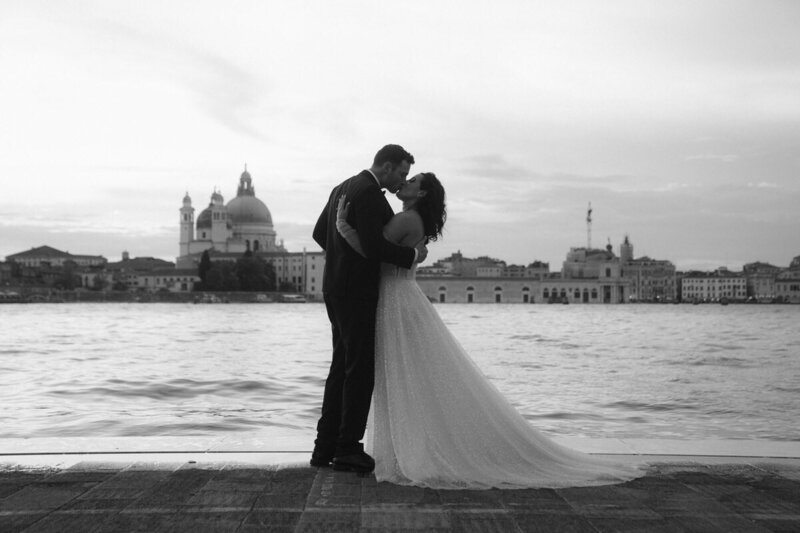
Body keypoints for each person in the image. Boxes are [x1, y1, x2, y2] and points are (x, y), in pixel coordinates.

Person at [335, 172, 645, 489]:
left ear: (423, 193)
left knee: (402, 374)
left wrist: (344, 228)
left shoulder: (406, 219)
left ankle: (411, 447)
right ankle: (415, 445)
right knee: (411, 375)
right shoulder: (414, 220)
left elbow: (372, 250)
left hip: (395, 300)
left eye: (412, 180)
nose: (405, 183)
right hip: (401, 297)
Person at [311, 144, 428, 474]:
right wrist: (412, 257)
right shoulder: (370, 194)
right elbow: (377, 248)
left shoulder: (343, 187)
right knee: (359, 370)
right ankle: (348, 447)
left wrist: (342, 253)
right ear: (387, 167)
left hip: (333, 288)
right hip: (356, 291)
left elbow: (321, 233)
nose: (400, 182)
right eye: (402, 174)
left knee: (341, 366)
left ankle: (325, 447)